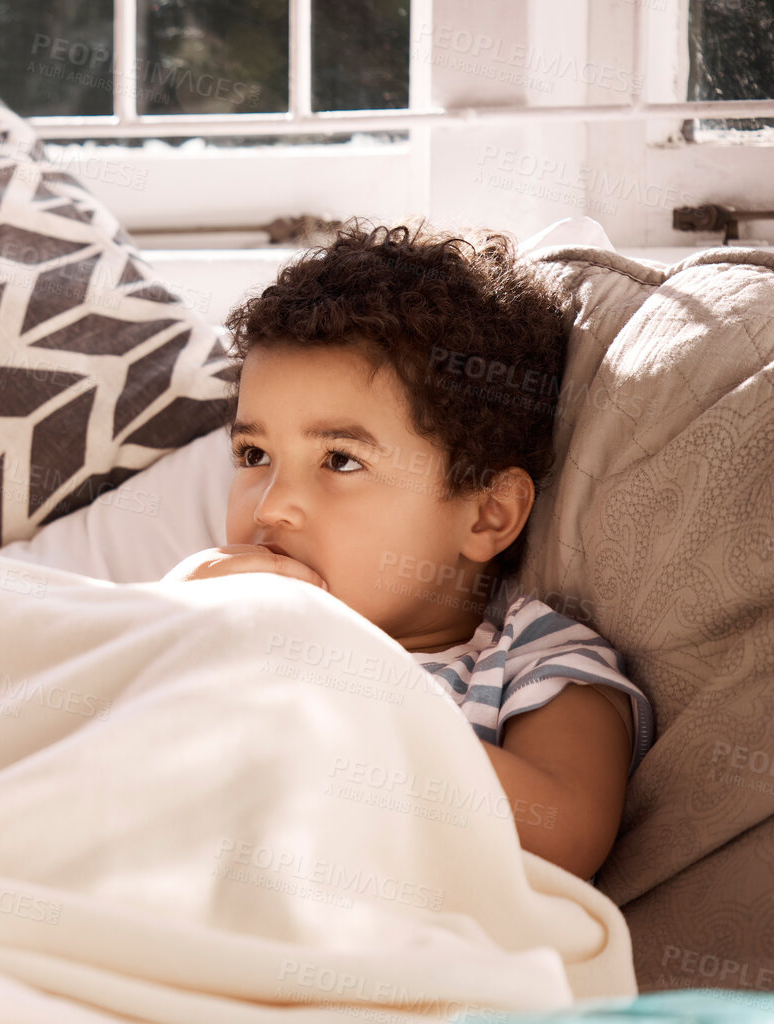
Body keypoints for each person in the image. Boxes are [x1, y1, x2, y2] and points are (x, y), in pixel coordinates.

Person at [163, 222, 655, 881]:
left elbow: (560, 837)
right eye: (253, 455)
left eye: (339, 460)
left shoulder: (531, 661)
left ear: (487, 513)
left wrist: (317, 660)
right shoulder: (212, 614)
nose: (271, 505)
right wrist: (169, 619)